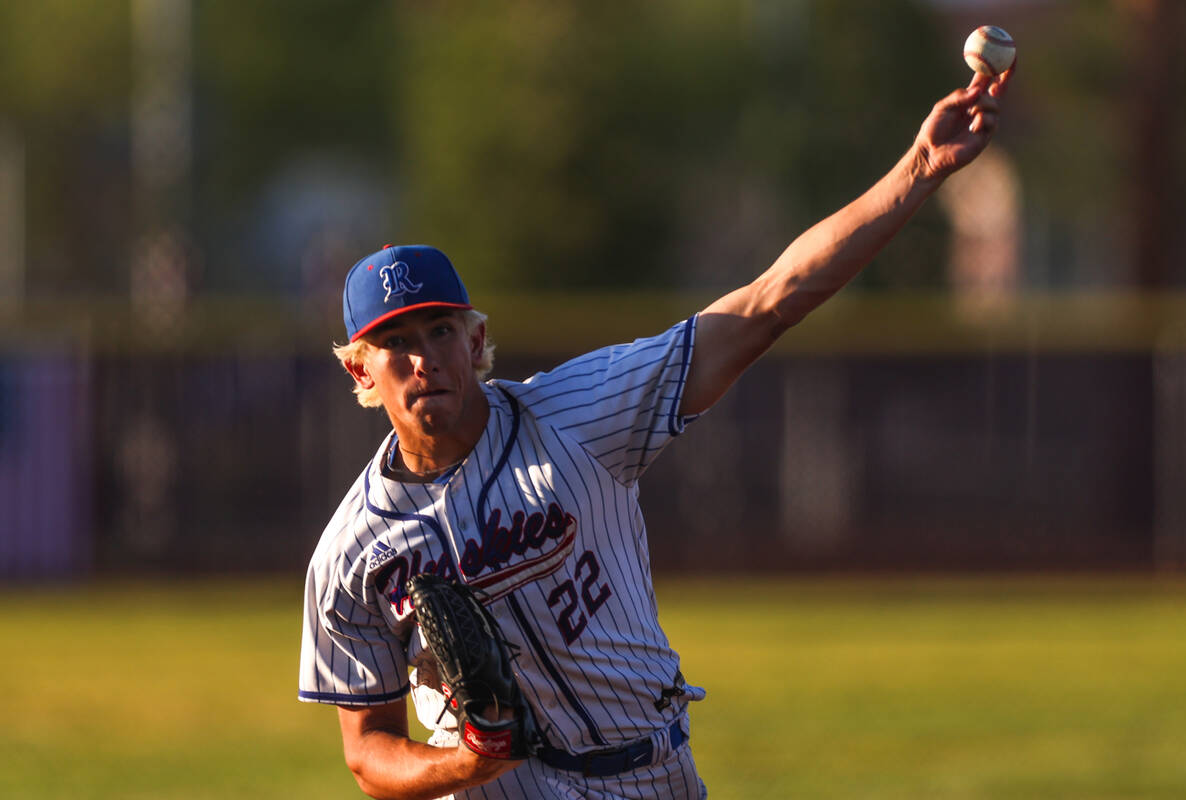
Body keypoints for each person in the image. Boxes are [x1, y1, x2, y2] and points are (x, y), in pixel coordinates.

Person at [299, 69, 1013, 800]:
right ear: (360, 370)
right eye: (395, 345)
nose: (424, 359)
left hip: (654, 774)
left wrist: (920, 169)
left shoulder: (579, 415)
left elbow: (770, 301)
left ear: (476, 338)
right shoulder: (352, 553)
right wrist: (468, 763)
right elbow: (368, 752)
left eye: (440, 330)